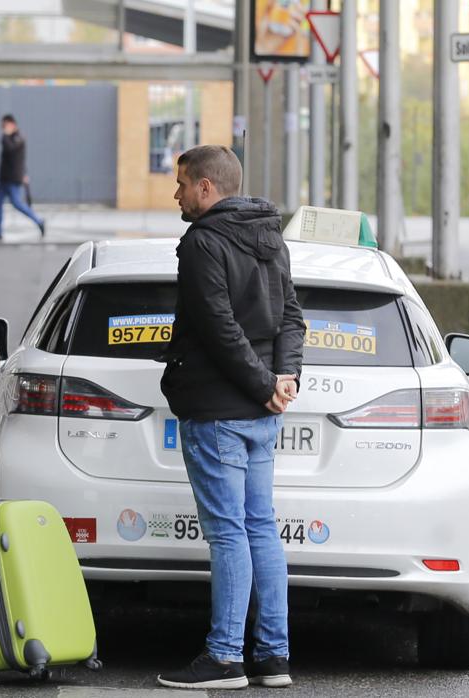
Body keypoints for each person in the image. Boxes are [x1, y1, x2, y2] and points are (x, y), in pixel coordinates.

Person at [156, 145, 304, 691]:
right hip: (262, 413)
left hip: (218, 410)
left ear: (206, 187)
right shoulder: (270, 235)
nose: (177, 194)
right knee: (260, 527)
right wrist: (282, 380)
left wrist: (269, 384)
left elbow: (218, 327)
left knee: (227, 535)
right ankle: (273, 657)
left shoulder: (203, 242)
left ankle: (223, 657)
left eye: (182, 184)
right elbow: (292, 317)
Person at [0, 114, 45, 240]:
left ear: (12, 124)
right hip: (4, 179)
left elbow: (12, 150)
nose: (3, 128)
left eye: (5, 125)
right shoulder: (9, 138)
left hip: (13, 179)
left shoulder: (18, 138)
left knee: (17, 203)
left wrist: (23, 175)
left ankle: (39, 221)